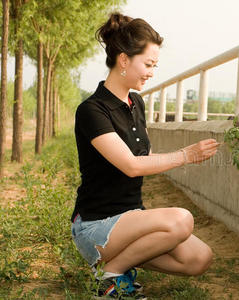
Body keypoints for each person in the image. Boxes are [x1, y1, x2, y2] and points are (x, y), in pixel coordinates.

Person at [70, 12, 219, 299]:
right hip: (96, 225)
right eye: (148, 64)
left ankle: (114, 267)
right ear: (124, 60)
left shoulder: (135, 102)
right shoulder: (93, 110)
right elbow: (131, 165)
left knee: (200, 258)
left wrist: (195, 156)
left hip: (130, 219)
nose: (152, 72)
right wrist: (185, 155)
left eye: (155, 65)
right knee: (181, 220)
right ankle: (109, 276)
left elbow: (146, 156)